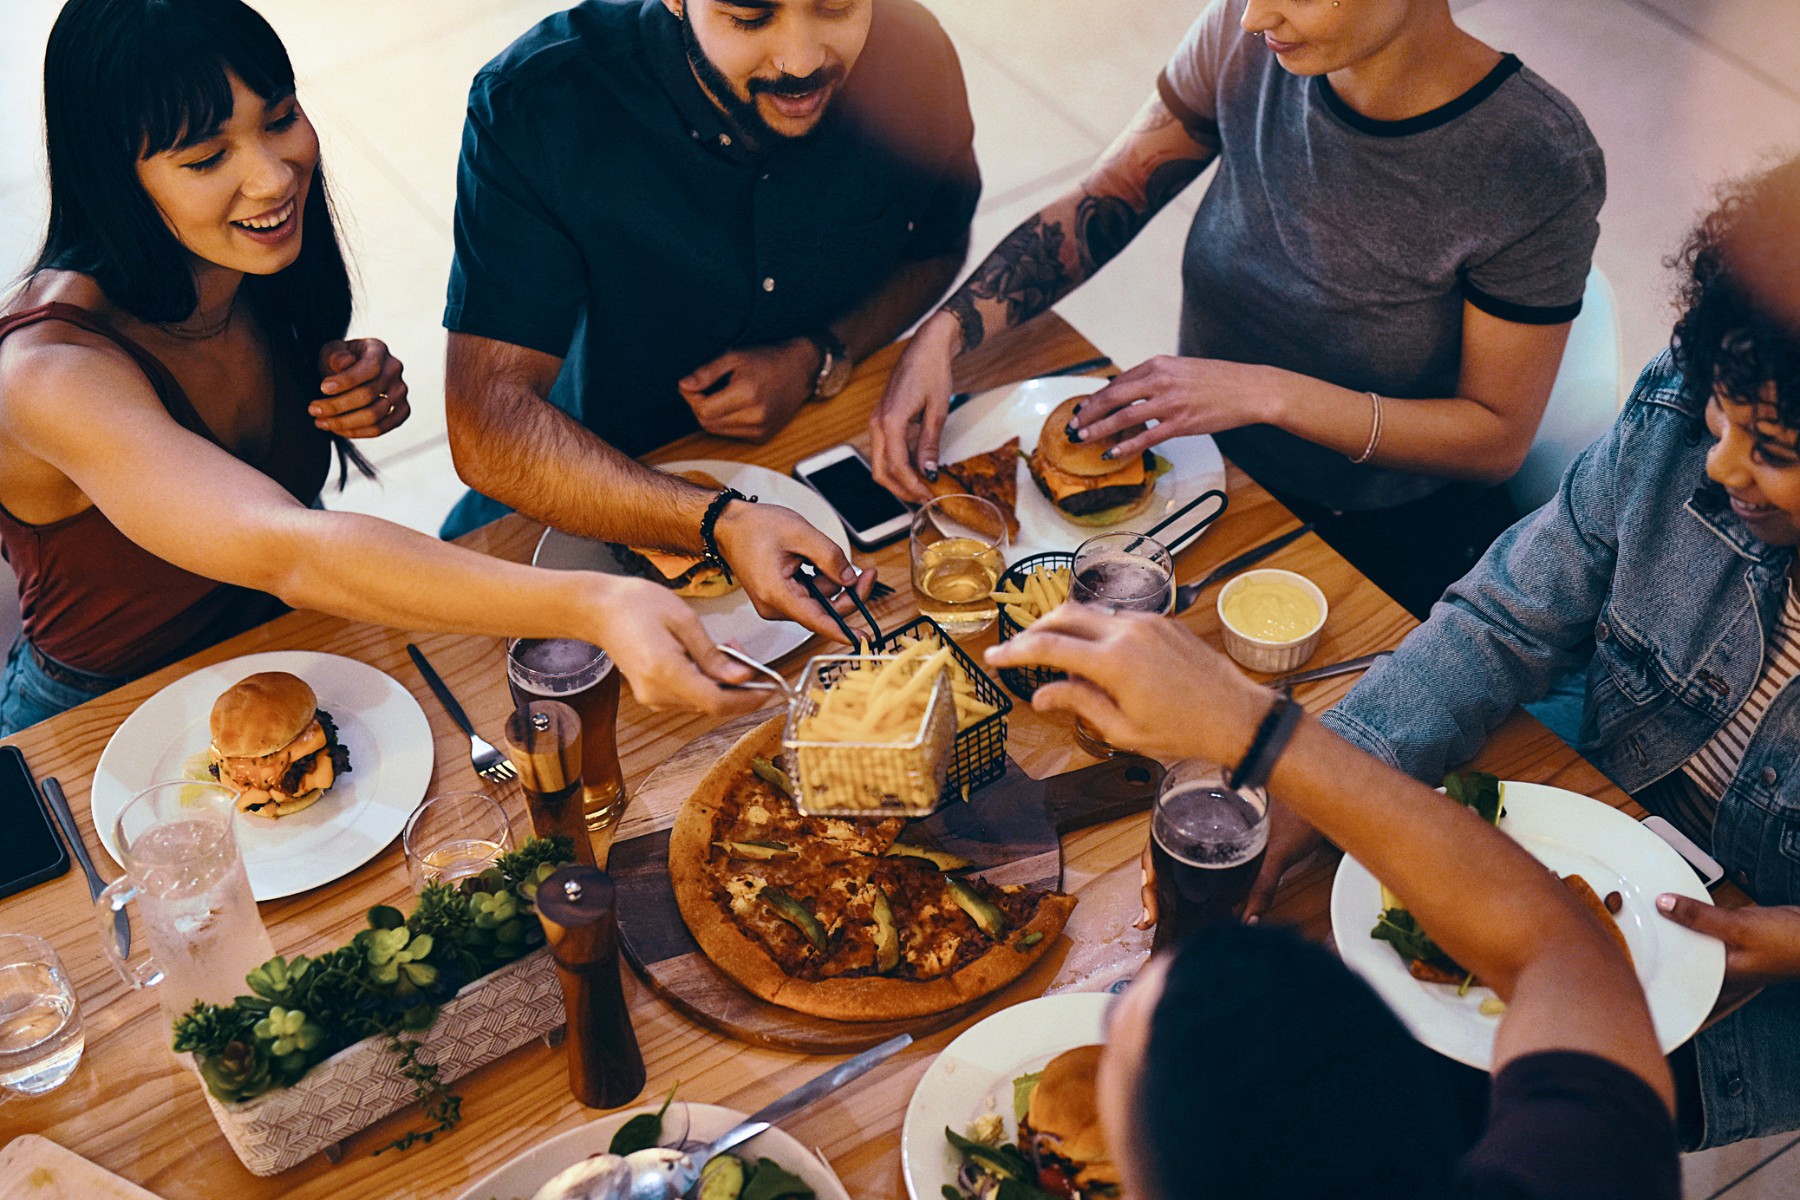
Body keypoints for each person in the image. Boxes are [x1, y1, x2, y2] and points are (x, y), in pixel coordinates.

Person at [0, 0, 768, 735]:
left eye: (280, 119)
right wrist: (597, 604)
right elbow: (291, 548)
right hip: (105, 711)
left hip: (296, 647)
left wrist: (333, 383)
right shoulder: (47, 374)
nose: (273, 176)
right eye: (206, 157)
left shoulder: (236, 264)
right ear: (111, 179)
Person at [1240, 159, 1800, 1151]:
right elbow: (1509, 614)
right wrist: (1334, 764)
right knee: (1294, 998)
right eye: (1721, 415)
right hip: (1595, 812)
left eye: (1776, 452)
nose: (1717, 466)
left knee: (1411, 1120)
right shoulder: (1695, 405)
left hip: (1763, 999)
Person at [874, 0, 1604, 618]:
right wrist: (946, 331)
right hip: (1198, 471)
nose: (1256, 14)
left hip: (1374, 531)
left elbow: (1495, 439)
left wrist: (1267, 393)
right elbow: (1114, 195)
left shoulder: (1533, 157)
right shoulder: (1247, 34)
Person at [987, 606, 1678, 1199]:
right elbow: (1554, 944)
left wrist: (1256, 731)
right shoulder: (1590, 1168)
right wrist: (1254, 729)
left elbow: (1545, 950)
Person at [438, 0, 980, 623]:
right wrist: (719, 521)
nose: (800, 60)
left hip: (830, 450)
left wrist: (822, 353)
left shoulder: (917, 53)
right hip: (572, 498)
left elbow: (936, 247)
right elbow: (488, 431)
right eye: (750, 17)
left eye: (836, 5)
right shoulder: (540, 102)